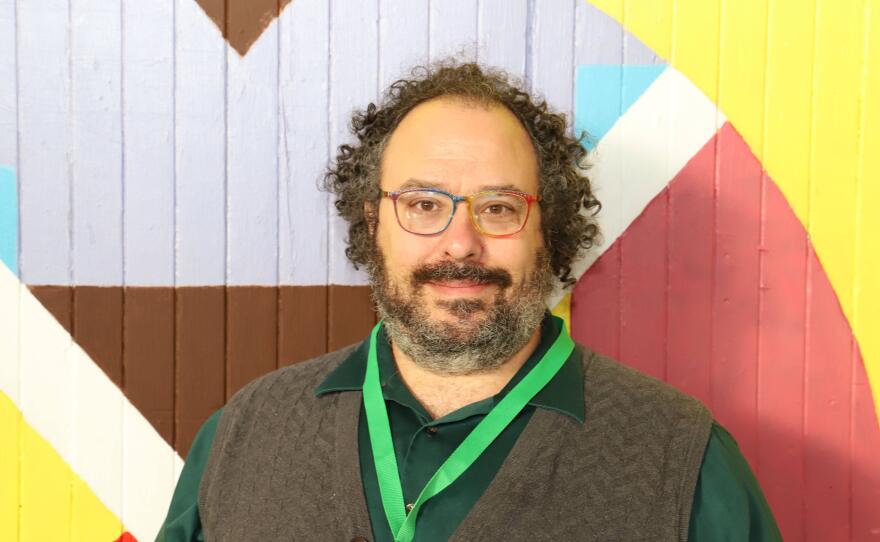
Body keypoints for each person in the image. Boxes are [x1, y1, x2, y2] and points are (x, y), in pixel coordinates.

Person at [156, 61, 781, 541]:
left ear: (548, 230)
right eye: (424, 204)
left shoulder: (683, 457)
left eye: (499, 208)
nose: (460, 243)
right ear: (372, 220)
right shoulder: (246, 433)